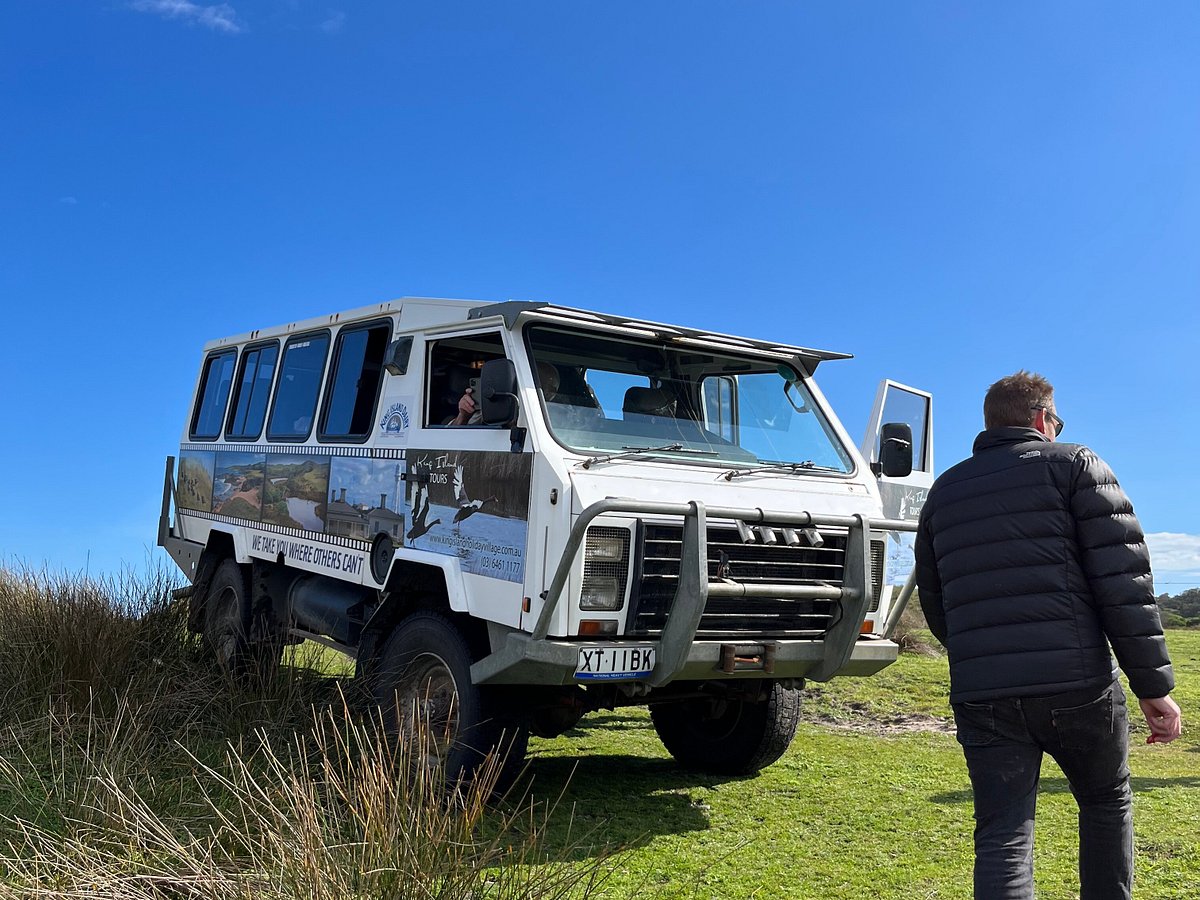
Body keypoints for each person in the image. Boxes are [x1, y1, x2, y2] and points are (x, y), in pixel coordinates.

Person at [913, 370, 1181, 900]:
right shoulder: (1076, 466)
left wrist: (979, 655)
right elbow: (1123, 586)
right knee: (1106, 802)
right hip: (1078, 685)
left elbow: (935, 597)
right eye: (1055, 419)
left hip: (983, 691)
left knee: (1003, 831)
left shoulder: (945, 490)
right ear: (1041, 419)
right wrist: (1154, 688)